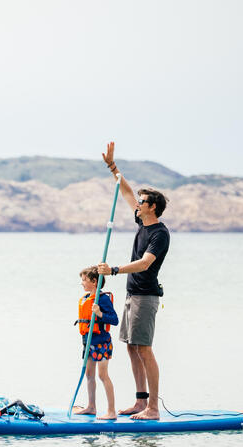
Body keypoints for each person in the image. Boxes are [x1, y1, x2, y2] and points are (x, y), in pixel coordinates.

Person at [98, 142, 170, 420]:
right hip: (132, 294)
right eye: (138, 202)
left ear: (152, 207)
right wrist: (112, 167)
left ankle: (153, 408)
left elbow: (145, 263)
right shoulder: (143, 223)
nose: (137, 205)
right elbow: (126, 192)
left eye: (142, 203)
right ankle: (140, 402)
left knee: (145, 349)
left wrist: (114, 270)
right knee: (131, 346)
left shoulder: (160, 234)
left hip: (146, 296)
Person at [74, 266, 119, 419]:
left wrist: (100, 313)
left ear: (94, 281)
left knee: (102, 375)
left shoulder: (103, 299)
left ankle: (111, 411)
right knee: (89, 375)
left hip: (102, 343)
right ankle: (91, 407)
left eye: (84, 280)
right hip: (88, 342)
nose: (82, 283)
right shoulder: (87, 298)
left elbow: (114, 320)